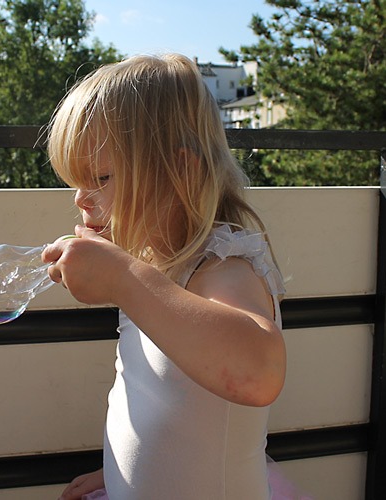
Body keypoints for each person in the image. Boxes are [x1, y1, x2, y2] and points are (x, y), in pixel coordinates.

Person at [42, 53, 288, 500]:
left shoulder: (222, 266)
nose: (80, 198)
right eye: (76, 182)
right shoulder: (153, 269)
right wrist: (119, 469)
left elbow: (258, 372)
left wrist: (122, 277)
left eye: (101, 177)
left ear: (179, 172)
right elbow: (164, 407)